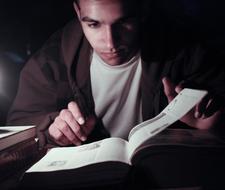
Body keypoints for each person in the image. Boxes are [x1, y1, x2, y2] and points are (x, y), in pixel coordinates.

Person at [7, 0, 225, 147]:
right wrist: (52, 130)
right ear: (77, 11)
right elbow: (16, 131)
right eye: (93, 24)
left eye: (124, 23)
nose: (110, 42)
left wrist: (211, 129)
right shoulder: (51, 61)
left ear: (143, 10)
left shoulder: (186, 49)